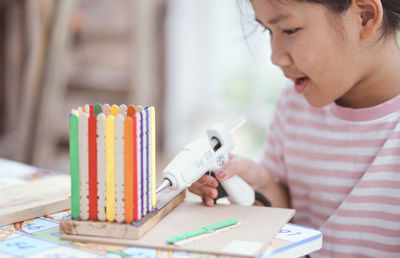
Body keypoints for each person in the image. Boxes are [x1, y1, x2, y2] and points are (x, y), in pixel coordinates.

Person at [188, 0, 400, 257]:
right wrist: (262, 186)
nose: (275, 57)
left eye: (289, 30)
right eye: (268, 31)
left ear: (365, 17)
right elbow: (292, 222)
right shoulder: (293, 104)